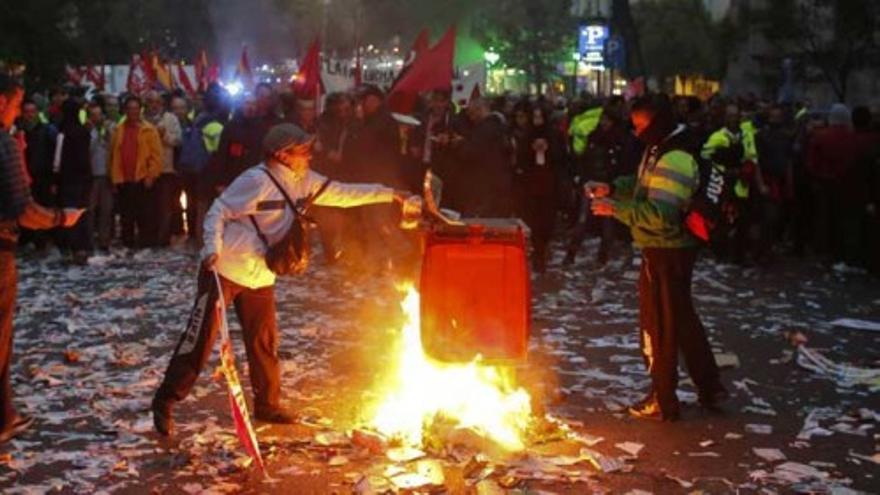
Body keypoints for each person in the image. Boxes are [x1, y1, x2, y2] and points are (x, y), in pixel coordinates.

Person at [151, 123, 412, 436]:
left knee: (264, 341)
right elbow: (218, 212)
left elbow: (344, 193)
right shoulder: (255, 180)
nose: (309, 155)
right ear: (282, 154)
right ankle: (165, 401)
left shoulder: (305, 181)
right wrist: (212, 249)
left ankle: (268, 405)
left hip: (261, 274)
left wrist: (390, 195)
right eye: (303, 150)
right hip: (224, 269)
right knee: (201, 340)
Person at [589, 95, 727, 421]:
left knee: (659, 326)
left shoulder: (674, 157)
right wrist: (612, 189)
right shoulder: (661, 148)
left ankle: (663, 398)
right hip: (670, 248)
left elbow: (661, 215)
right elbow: (643, 188)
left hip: (666, 249)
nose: (636, 133)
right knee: (682, 320)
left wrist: (615, 210)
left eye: (640, 126)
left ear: (657, 122)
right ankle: (711, 388)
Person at [0, 75, 84, 445]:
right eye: (17, 104)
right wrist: (60, 219)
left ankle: (5, 413)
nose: (19, 112)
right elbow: (22, 209)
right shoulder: (4, 143)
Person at [109, 96, 163, 248]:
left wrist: (151, 175)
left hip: (142, 179)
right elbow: (113, 155)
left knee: (144, 215)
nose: (133, 111)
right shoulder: (119, 130)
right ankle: (128, 244)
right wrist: (113, 177)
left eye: (135, 108)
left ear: (140, 110)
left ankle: (146, 244)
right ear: (125, 110)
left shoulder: (149, 130)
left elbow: (156, 156)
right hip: (123, 180)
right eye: (130, 108)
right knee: (126, 215)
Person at [16, 99, 58, 252]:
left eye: (32, 112)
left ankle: (42, 240)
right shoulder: (18, 132)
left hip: (43, 177)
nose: (29, 115)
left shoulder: (46, 131)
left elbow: (53, 155)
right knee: (25, 211)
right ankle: (28, 238)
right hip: (23, 179)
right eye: (27, 112)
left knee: (42, 209)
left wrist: (54, 178)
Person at [143, 91, 183, 247]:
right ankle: (149, 237)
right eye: (151, 102)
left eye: (157, 102)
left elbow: (178, 141)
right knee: (148, 206)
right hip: (146, 169)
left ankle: (163, 239)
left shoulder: (170, 119)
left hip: (165, 169)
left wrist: (164, 135)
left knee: (164, 206)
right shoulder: (142, 119)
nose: (154, 105)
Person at [56, 99, 93, 264]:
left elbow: (57, 160)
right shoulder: (83, 132)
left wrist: (55, 179)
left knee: (69, 215)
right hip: (83, 179)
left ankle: (74, 248)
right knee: (82, 213)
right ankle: (84, 247)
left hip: (67, 180)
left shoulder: (63, 132)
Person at [87, 102, 115, 251]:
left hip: (106, 175)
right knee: (90, 210)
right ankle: (89, 239)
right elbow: (87, 151)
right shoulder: (87, 131)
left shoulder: (109, 129)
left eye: (99, 115)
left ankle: (104, 240)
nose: (96, 118)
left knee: (106, 209)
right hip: (91, 176)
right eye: (93, 115)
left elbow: (115, 147)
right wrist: (92, 133)